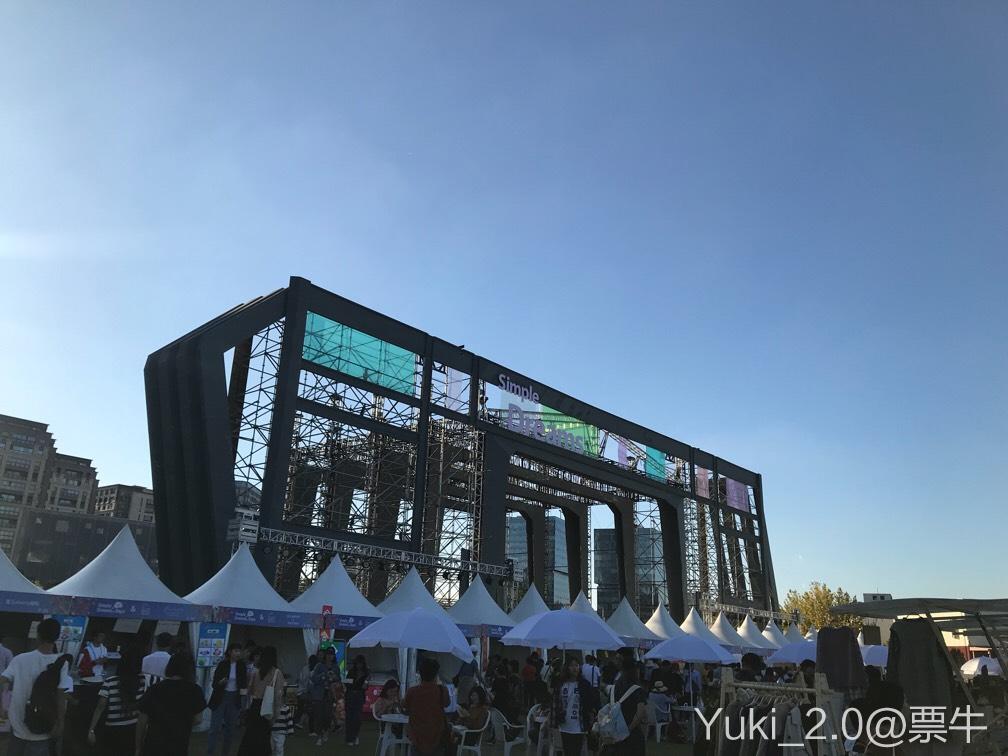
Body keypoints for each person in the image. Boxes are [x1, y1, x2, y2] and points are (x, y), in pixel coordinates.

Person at [0, 617, 73, 755]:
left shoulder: (20, 659)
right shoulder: (61, 663)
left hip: (18, 722)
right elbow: (60, 696)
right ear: (57, 637)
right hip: (43, 723)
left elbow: (2, 681)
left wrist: (2, 705)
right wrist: (60, 723)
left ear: (38, 636)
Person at [136, 651, 207, 756]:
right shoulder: (195, 690)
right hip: (179, 744)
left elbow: (142, 720)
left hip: (153, 744)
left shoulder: (155, 688)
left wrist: (138, 748)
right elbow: (198, 719)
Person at [87, 644, 146, 755]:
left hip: (113, 728)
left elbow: (100, 707)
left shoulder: (110, 681)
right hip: (134, 729)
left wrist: (91, 730)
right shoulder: (143, 681)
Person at [237, 645, 286, 756]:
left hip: (255, 706)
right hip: (266, 707)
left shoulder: (256, 672)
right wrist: (275, 716)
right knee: (263, 739)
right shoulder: (277, 673)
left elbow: (250, 690)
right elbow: (278, 696)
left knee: (250, 737)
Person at [403, 656, 451, 756]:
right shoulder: (442, 691)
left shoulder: (412, 691)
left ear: (420, 674)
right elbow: (447, 704)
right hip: (437, 736)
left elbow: (404, 705)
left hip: (417, 736)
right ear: (436, 675)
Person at [551, 656, 598, 755]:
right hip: (564, 725)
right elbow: (555, 704)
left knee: (576, 751)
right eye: (571, 665)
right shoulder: (561, 684)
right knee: (567, 751)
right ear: (567, 668)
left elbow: (590, 703)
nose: (575, 668)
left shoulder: (584, 684)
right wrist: (553, 723)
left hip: (579, 725)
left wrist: (591, 719)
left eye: (576, 665)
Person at [207, 643, 248, 756]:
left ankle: (225, 753)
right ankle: (210, 752)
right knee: (215, 728)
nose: (238, 653)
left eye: (239, 651)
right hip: (221, 696)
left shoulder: (241, 666)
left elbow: (244, 683)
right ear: (230, 652)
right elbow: (214, 683)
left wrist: (243, 699)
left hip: (234, 697)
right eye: (235, 651)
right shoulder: (222, 664)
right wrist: (221, 682)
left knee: (230, 730)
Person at [603, 656, 647, 756]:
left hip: (615, 733)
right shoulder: (637, 689)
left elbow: (608, 709)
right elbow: (641, 712)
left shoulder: (613, 689)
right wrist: (629, 729)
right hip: (632, 734)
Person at [309, 648, 341, 745]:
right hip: (319, 694)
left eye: (332, 654)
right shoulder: (319, 666)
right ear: (325, 656)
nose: (330, 656)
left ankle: (326, 730)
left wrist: (334, 677)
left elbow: (339, 680)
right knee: (319, 715)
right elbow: (313, 678)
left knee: (328, 715)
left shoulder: (335, 667)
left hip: (330, 694)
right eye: (328, 654)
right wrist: (323, 675)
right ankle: (319, 735)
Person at [344, 654, 369, 746]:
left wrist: (365, 684)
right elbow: (347, 683)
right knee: (349, 717)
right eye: (358, 663)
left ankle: (355, 735)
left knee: (357, 718)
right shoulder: (351, 672)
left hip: (359, 696)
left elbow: (366, 685)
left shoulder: (366, 673)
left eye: (361, 663)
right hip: (350, 695)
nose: (359, 665)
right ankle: (349, 738)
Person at [295, 654, 316, 731]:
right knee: (305, 709)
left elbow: (301, 679)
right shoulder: (307, 669)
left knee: (304, 709)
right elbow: (303, 681)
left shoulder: (307, 669)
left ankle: (300, 722)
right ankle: (300, 722)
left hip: (303, 692)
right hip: (304, 692)